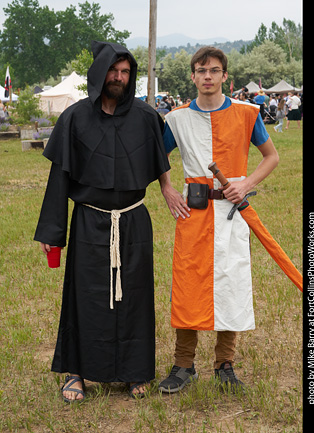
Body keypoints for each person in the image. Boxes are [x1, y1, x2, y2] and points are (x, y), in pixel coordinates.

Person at [34, 41, 170, 402]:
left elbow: (160, 165)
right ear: (100, 72)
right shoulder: (75, 118)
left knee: (135, 298)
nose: (119, 78)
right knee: (86, 296)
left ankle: (136, 372)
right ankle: (76, 373)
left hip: (133, 222)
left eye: (125, 72)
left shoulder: (145, 117)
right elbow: (59, 179)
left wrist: (170, 191)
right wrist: (52, 231)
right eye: (113, 70)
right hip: (89, 223)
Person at [159, 46, 279, 393]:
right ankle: (183, 365)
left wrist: (246, 183)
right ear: (193, 76)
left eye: (214, 70)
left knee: (232, 283)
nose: (207, 76)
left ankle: (225, 363)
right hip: (193, 213)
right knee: (188, 284)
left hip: (231, 213)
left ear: (225, 75)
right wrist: (168, 188)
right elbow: (157, 158)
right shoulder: (177, 118)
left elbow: (270, 157)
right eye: (201, 70)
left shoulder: (247, 113)